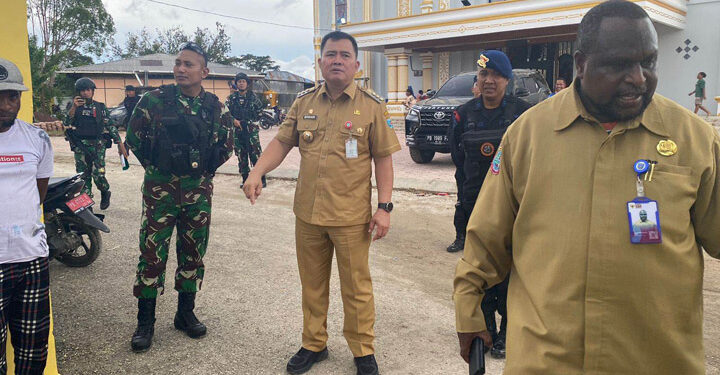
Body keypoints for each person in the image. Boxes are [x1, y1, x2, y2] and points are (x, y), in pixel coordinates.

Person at [453, 1, 720, 373]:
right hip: (548, 361)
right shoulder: (528, 135)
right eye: (618, 65)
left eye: (648, 62)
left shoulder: (695, 140)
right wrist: (469, 311)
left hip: (656, 360)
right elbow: (486, 239)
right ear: (580, 64)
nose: (639, 78)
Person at [242, 31, 400, 375]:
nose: (337, 60)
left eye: (345, 55)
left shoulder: (372, 106)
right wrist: (257, 172)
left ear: (356, 64)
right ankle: (314, 344)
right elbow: (282, 143)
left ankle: (362, 351)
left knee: (357, 288)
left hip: (351, 217)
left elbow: (384, 160)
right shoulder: (304, 103)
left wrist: (384, 207)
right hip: (309, 215)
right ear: (320, 61)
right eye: (331, 54)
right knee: (312, 285)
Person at [125, 42, 234, 352]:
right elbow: (134, 140)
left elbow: (226, 146)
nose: (181, 69)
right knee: (151, 254)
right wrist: (162, 169)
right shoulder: (153, 101)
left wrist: (197, 173)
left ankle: (185, 314)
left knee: (193, 252)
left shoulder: (216, 106)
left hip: (198, 193)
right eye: (178, 63)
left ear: (204, 72)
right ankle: (145, 323)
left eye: (188, 64)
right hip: (160, 192)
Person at [447, 50, 530, 360]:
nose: (489, 80)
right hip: (474, 205)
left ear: (507, 80)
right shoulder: (463, 114)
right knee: (478, 270)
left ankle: (509, 329)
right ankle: (487, 330)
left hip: (513, 208)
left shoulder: (524, 114)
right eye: (484, 75)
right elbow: (457, 156)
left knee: (511, 272)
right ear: (477, 79)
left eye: (496, 75)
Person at [0, 57, 53, 374]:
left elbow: (39, 193)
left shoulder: (37, 139)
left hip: (31, 260)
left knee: (33, 354)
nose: (5, 105)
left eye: (12, 96)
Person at [63, 77, 128, 210]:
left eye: (88, 90)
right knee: (83, 176)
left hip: (97, 146)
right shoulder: (73, 107)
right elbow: (66, 124)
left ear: (92, 91)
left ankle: (105, 191)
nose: (85, 93)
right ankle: (87, 206)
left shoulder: (100, 107)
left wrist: (120, 143)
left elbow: (110, 125)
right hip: (80, 146)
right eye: (82, 90)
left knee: (98, 175)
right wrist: (74, 108)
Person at [225, 72, 265, 187]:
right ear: (236, 84)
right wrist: (233, 120)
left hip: (251, 131)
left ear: (247, 83)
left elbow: (260, 113)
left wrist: (251, 122)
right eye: (239, 82)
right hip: (237, 132)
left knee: (256, 154)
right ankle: (245, 179)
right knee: (241, 156)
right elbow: (225, 112)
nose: (241, 84)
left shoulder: (254, 98)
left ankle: (261, 179)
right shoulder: (231, 99)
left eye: (243, 81)